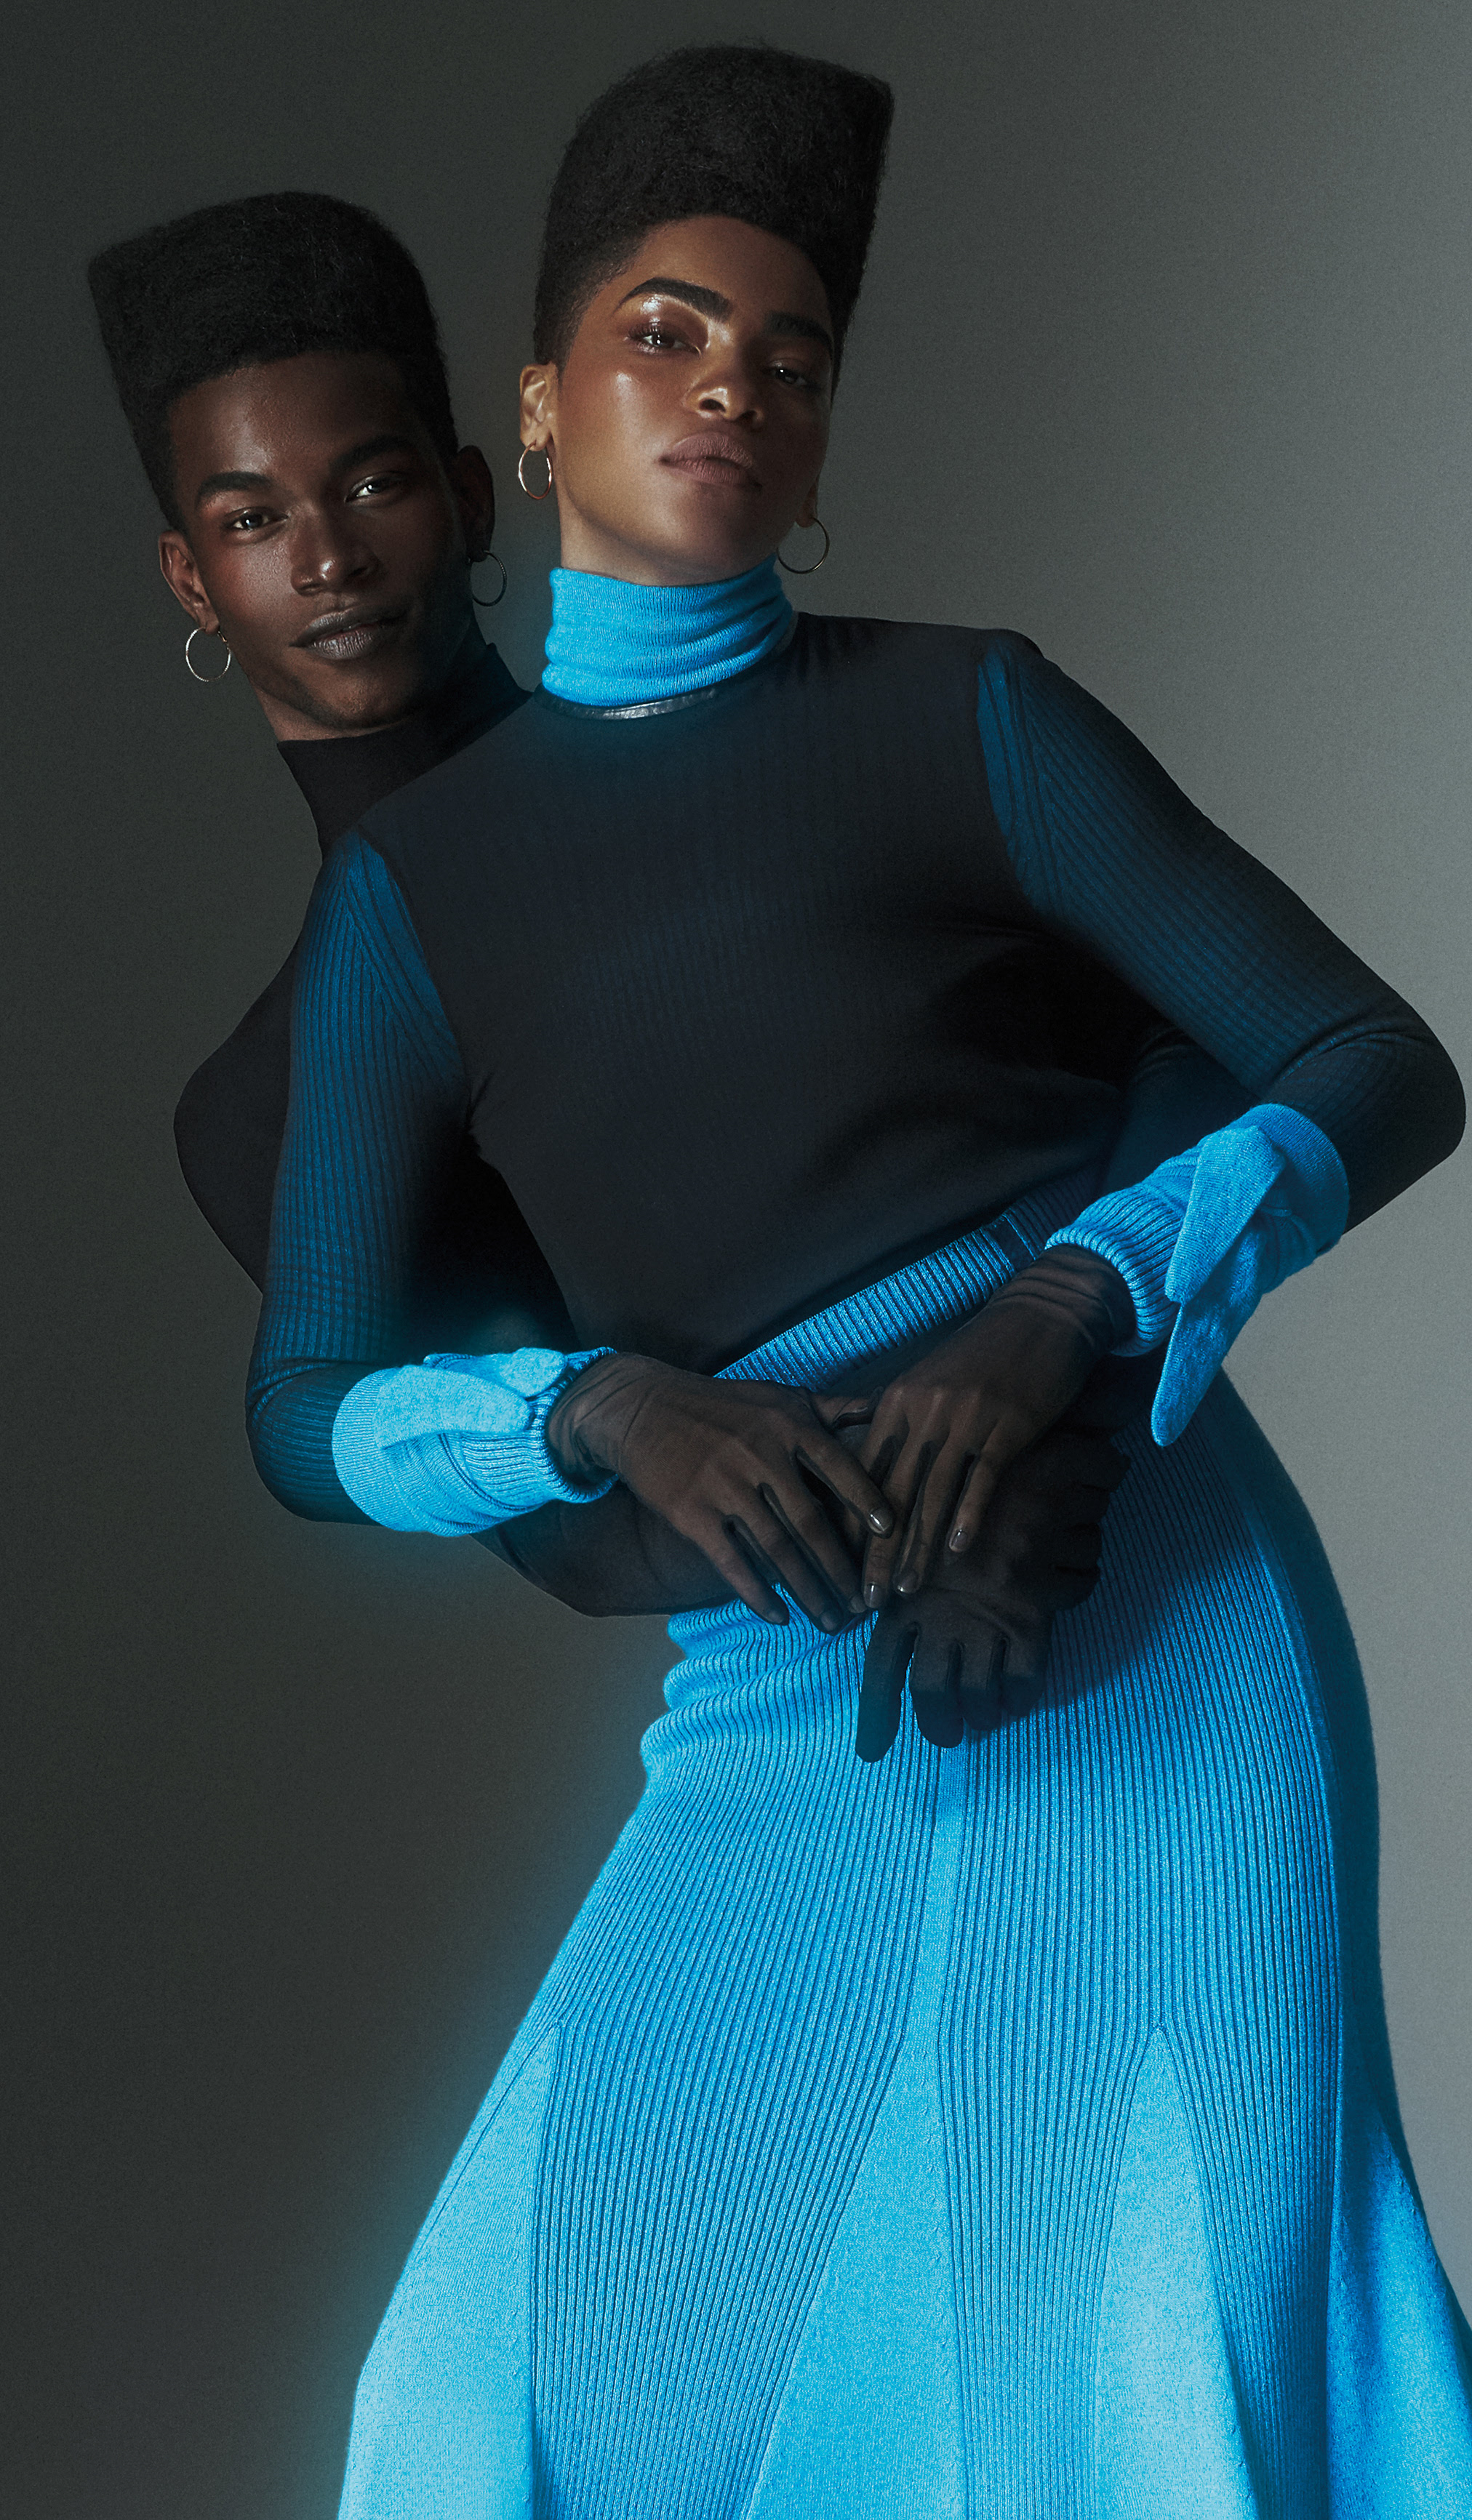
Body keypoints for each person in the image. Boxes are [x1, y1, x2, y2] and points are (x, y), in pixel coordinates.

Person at [247, 43, 1472, 2517]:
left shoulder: (965, 716)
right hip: (780, 1669)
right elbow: (308, 1402)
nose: (730, 391)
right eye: (665, 333)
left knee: (1149, 2363)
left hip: (1149, 1622)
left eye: (789, 358)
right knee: (474, 2403)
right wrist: (588, 1408)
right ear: (536, 406)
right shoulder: (415, 899)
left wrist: (1063, 1315)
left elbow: (1367, 1062)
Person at [89, 188, 1154, 1681]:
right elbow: (567, 1537)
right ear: (190, 579)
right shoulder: (265, 1101)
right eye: (252, 519)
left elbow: (1183, 1079)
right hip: (815, 1643)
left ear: (470, 496)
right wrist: (895, 1531)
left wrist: (1064, 1413)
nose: (327, 559)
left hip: (1112, 1524)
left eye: (375, 482)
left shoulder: (804, 748)